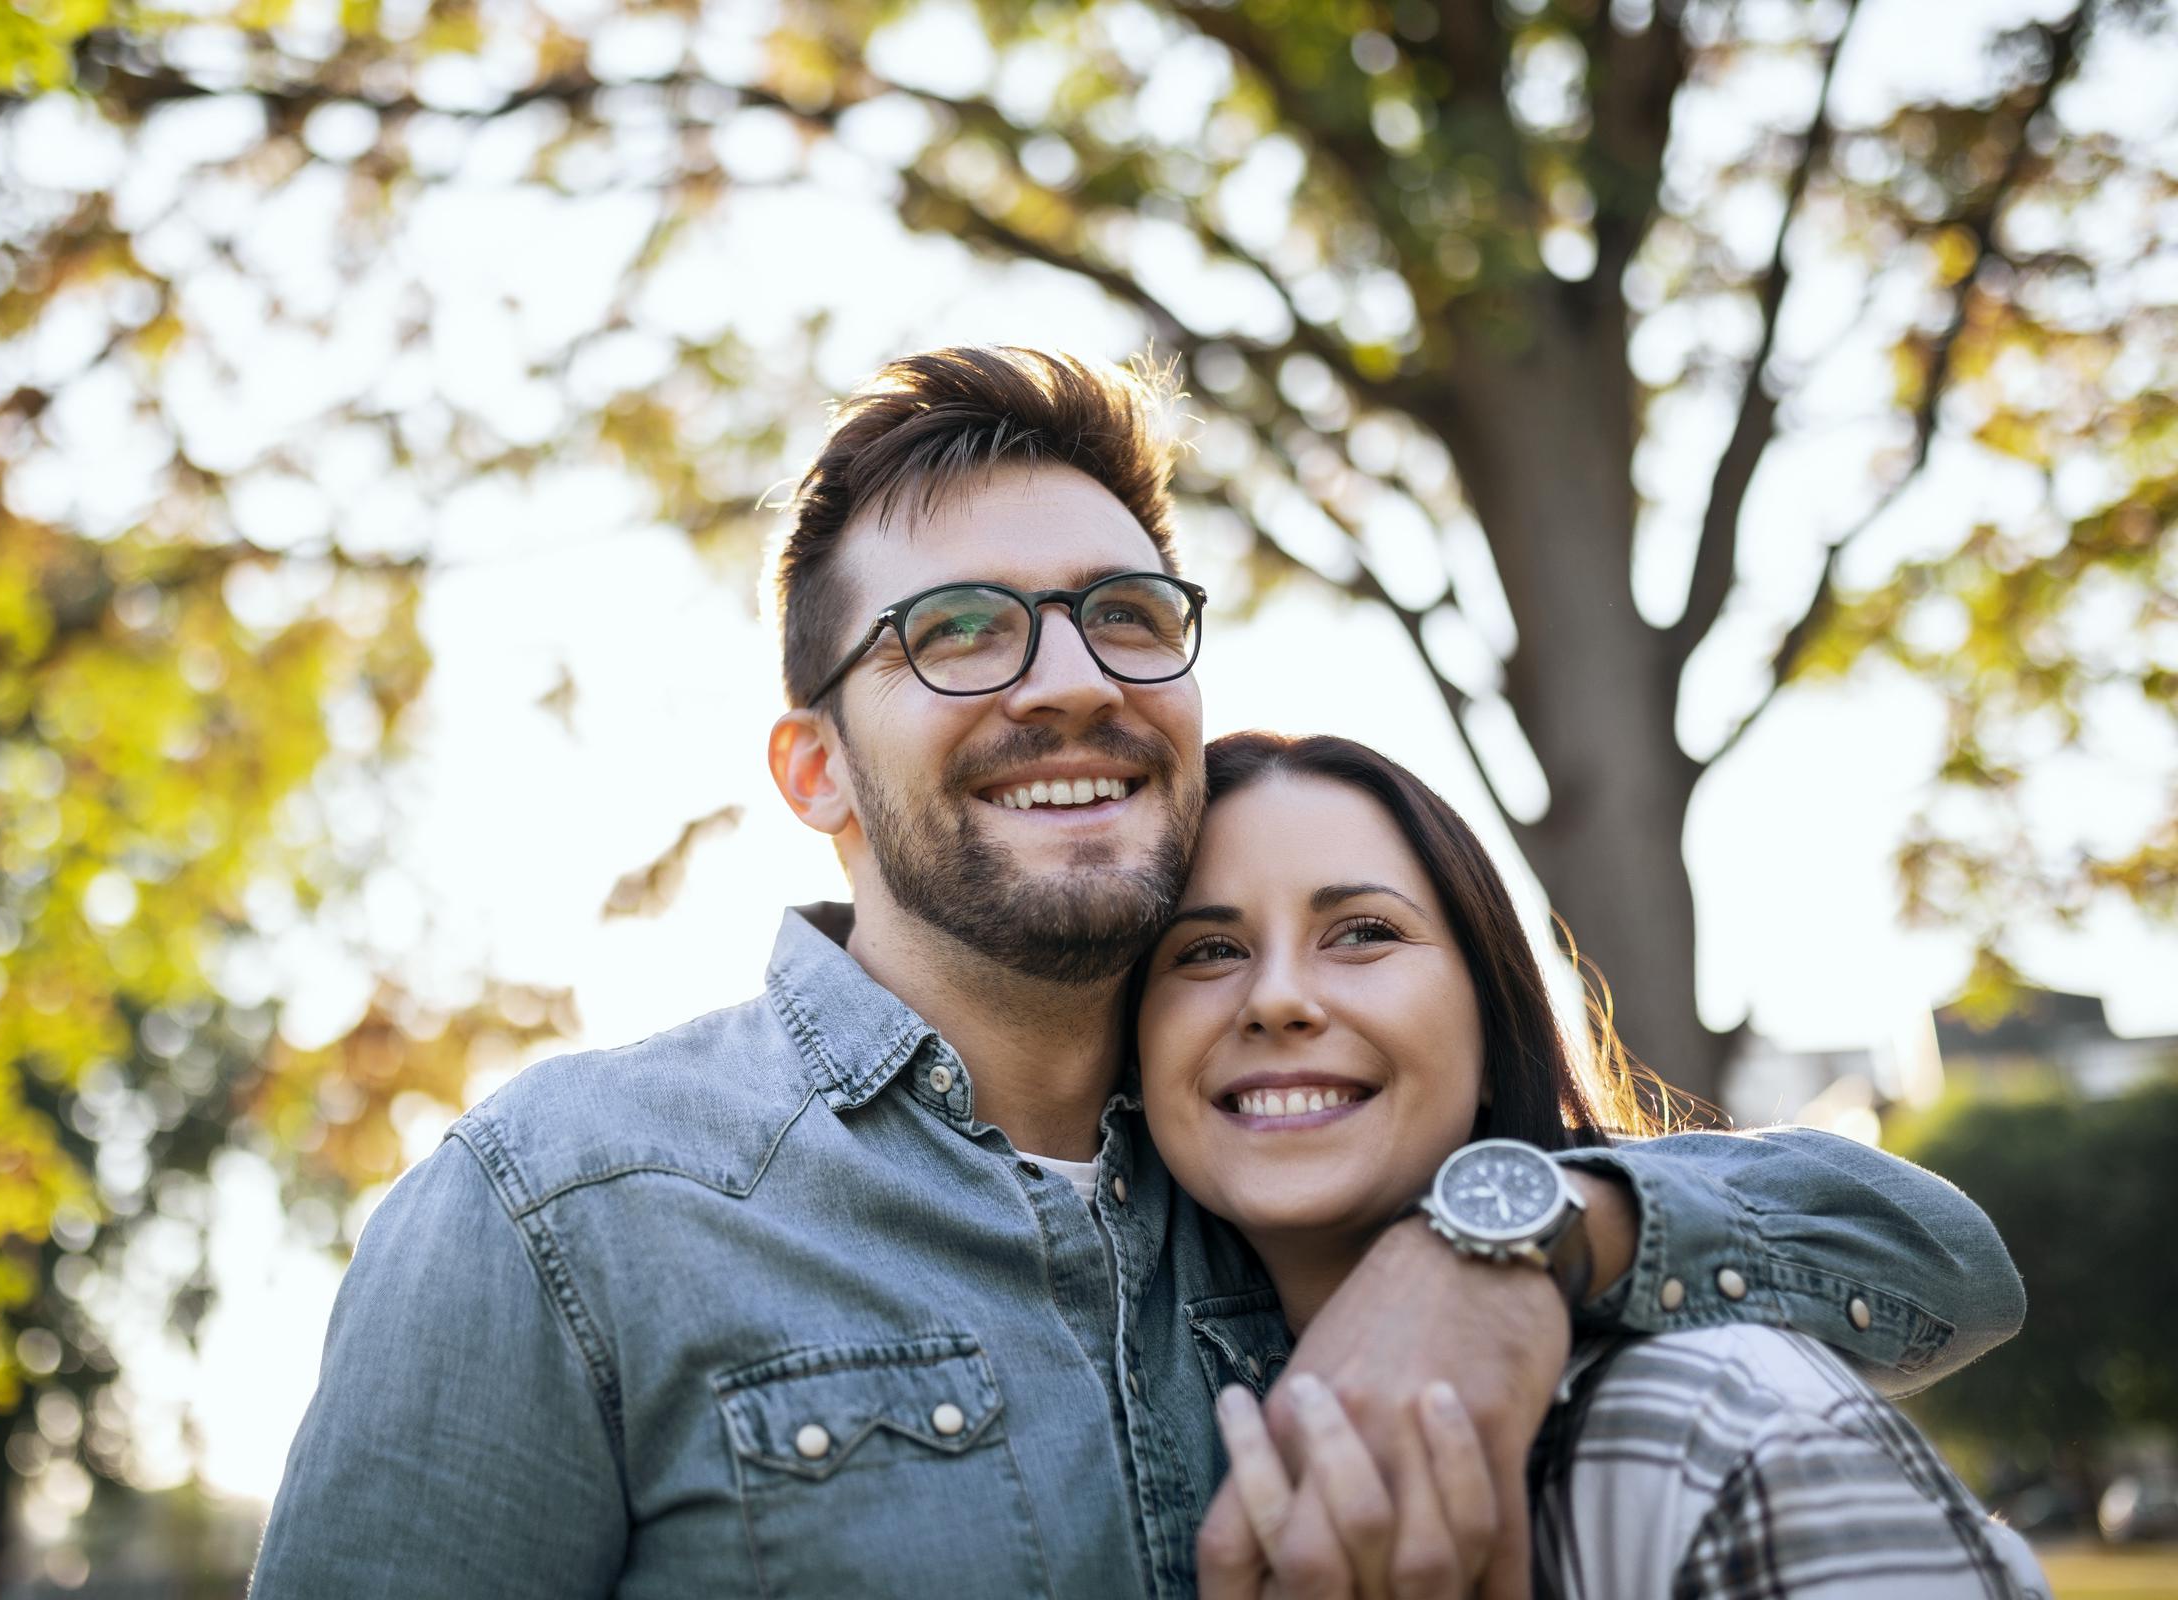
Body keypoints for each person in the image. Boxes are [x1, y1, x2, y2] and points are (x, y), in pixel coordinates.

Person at [248, 347, 2025, 1599]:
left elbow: (1936, 1264)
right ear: (816, 777)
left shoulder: (1283, 1183)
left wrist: (1513, 1240)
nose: (1067, 679)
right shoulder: (568, 1210)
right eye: (955, 632)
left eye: (1127, 614)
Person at [1139, 731, 2047, 1598]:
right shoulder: (1112, 1392)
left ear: (1493, 1032)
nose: (1280, 999)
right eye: (1209, 949)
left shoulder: (1721, 1422)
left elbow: (1959, 1256)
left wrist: (1496, 1241)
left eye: (1364, 932)